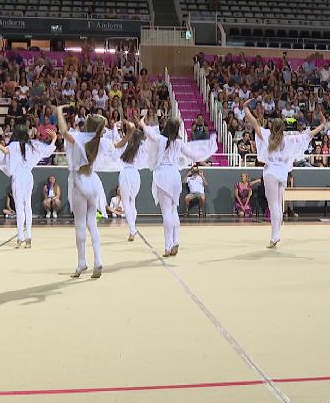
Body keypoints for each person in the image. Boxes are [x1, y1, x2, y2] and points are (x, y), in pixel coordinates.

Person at [244, 101, 327, 247]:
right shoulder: (290, 139)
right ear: (283, 128)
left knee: (273, 205)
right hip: (283, 174)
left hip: (271, 172)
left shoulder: (266, 135)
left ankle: (275, 237)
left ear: (272, 127)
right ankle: (275, 235)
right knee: (278, 205)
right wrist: (322, 124)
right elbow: (309, 134)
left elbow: (254, 123)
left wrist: (245, 109)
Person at [138, 116, 217, 257]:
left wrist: (143, 123)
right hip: (175, 175)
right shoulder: (179, 142)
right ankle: (175, 241)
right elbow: (195, 155)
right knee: (173, 211)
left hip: (163, 174)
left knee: (166, 213)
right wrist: (210, 145)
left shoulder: (161, 139)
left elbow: (149, 133)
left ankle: (168, 246)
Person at [58, 104, 119, 278]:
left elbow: (63, 131)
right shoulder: (101, 142)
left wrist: (59, 111)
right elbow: (118, 144)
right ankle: (98, 260)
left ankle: (81, 262)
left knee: (79, 224)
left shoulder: (78, 138)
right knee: (92, 224)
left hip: (79, 181)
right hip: (93, 183)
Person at [0, 123, 57, 248]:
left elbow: (4, 151)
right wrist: (54, 139)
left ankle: (20, 236)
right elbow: (47, 151)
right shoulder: (32, 145)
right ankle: (29, 236)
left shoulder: (14, 145)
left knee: (19, 207)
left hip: (18, 176)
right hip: (28, 175)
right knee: (28, 206)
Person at [112, 120, 150, 242]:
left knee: (127, 203)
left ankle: (132, 229)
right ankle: (132, 228)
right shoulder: (141, 147)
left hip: (125, 174)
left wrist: (114, 127)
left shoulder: (125, 144)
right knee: (132, 201)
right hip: (135, 175)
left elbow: (116, 139)